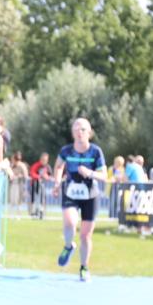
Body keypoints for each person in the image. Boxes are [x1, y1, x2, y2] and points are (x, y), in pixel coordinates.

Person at [52, 118, 107, 282]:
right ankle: (68, 246)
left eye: (83, 129)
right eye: (76, 128)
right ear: (72, 132)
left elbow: (104, 176)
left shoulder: (95, 152)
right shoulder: (66, 150)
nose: (79, 131)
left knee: (85, 235)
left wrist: (89, 173)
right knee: (69, 223)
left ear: (89, 133)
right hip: (71, 192)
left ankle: (84, 267)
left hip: (90, 195)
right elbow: (59, 166)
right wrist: (56, 182)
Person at [29, 152, 52, 218]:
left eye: (46, 160)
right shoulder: (36, 165)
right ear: (41, 159)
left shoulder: (47, 166)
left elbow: (50, 175)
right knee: (34, 198)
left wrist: (47, 177)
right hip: (35, 184)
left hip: (42, 185)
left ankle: (41, 211)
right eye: (43, 160)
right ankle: (34, 211)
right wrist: (40, 176)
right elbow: (32, 173)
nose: (45, 161)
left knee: (42, 198)